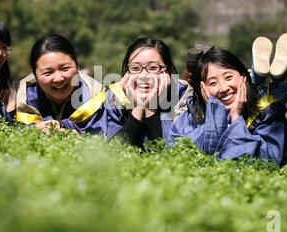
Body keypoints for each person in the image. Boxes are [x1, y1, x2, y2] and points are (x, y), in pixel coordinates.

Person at [169, 47, 287, 165]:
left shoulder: (267, 110)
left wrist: (236, 118)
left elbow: (267, 161)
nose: (223, 88)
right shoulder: (195, 112)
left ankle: (278, 81)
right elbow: (176, 147)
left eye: (228, 77)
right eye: (213, 83)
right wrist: (215, 115)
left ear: (243, 77)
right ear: (203, 88)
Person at [63, 36, 192, 148]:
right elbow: (116, 151)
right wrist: (138, 108)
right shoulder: (114, 98)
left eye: (153, 68)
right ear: (126, 73)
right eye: (135, 68)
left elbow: (171, 151)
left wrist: (151, 109)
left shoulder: (184, 97)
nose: (144, 75)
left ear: (167, 70)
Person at [15, 34, 102, 134]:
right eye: (48, 73)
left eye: (65, 69)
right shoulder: (23, 97)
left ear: (77, 66)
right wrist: (34, 130)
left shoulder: (95, 95)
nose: (58, 79)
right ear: (35, 75)